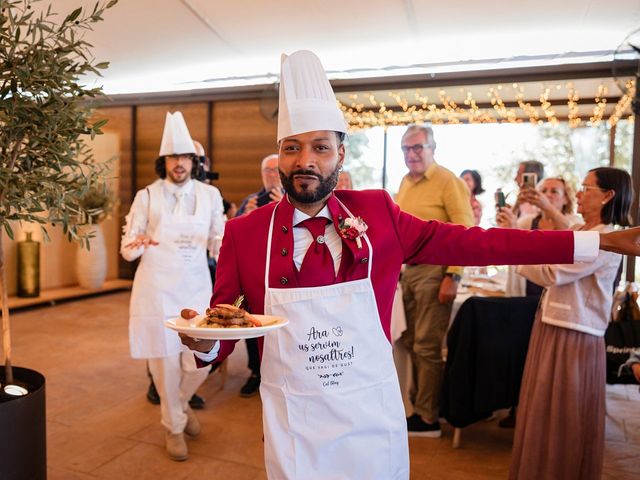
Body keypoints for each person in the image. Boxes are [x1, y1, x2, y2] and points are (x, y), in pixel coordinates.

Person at [180, 51, 640, 480]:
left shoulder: (378, 212)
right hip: (294, 421)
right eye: (292, 148)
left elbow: (479, 243)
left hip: (371, 416)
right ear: (279, 157)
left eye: (320, 147)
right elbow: (226, 325)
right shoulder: (244, 233)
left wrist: (597, 242)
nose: (305, 162)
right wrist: (202, 344)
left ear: (341, 154)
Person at [509, 167, 633, 480]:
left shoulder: (608, 240)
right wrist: (542, 207)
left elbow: (553, 272)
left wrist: (511, 248)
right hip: (554, 324)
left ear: (607, 196)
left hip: (575, 333)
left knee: (561, 413)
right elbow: (570, 230)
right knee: (544, 408)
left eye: (586, 188)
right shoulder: (587, 229)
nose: (578, 193)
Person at [121, 112, 225, 461]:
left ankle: (179, 407)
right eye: (172, 157)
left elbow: (218, 240)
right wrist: (141, 242)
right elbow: (127, 248)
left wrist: (224, 244)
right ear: (163, 161)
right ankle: (174, 428)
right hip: (156, 292)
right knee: (164, 368)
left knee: (202, 360)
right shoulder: (146, 196)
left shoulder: (211, 195)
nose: (179, 164)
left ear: (194, 162)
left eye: (184, 158)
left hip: (196, 290)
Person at [396, 124, 474, 438]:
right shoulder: (405, 182)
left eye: (418, 148)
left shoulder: (448, 181)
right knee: (411, 342)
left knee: (427, 346)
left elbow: (464, 233)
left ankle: (428, 417)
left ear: (432, 149)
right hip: (408, 272)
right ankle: (417, 405)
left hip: (434, 271)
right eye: (406, 149)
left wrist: (453, 275)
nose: (412, 154)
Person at [495, 176, 581, 428]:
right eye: (544, 190)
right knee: (521, 353)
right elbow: (512, 251)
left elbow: (573, 242)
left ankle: (548, 414)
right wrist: (510, 227)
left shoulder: (574, 224)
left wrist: (548, 208)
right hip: (525, 297)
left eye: (555, 191)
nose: (548, 194)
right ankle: (517, 406)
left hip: (557, 299)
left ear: (566, 198)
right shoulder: (526, 222)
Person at [234, 153, 284, 397]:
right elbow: (232, 235)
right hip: (253, 275)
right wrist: (245, 217)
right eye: (268, 172)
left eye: (276, 170)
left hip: (282, 277)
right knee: (251, 325)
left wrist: (284, 203)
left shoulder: (293, 198)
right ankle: (255, 371)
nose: (272, 176)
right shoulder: (251, 200)